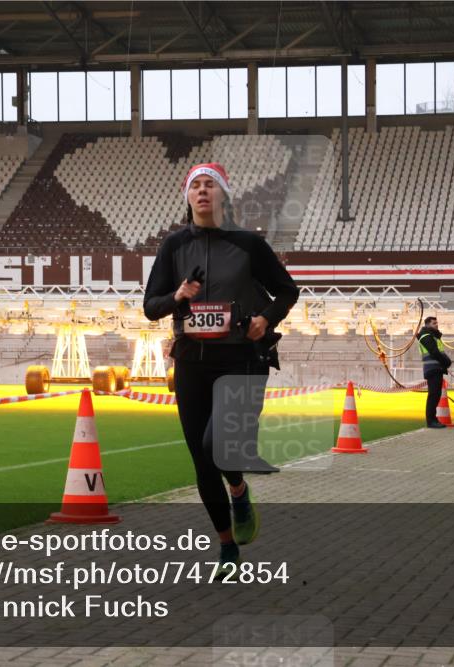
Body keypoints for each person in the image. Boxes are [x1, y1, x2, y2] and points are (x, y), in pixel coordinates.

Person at [143, 162, 299, 577]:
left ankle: (239, 490)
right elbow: (150, 308)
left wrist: (266, 319)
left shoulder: (249, 244)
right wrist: (177, 295)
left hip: (242, 361)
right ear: (187, 196)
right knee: (201, 459)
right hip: (193, 363)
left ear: (224, 195)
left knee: (218, 445)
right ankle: (227, 547)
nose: (203, 192)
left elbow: (286, 291)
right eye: (196, 186)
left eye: (210, 185)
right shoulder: (173, 247)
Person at [416, 316, 452, 429]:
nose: (436, 325)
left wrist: (445, 362)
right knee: (433, 395)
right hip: (432, 368)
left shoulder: (432, 336)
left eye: (437, 323)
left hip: (436, 368)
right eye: (434, 323)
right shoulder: (426, 336)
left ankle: (433, 419)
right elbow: (435, 352)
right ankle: (431, 421)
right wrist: (446, 362)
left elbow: (439, 351)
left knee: (436, 395)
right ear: (427, 325)